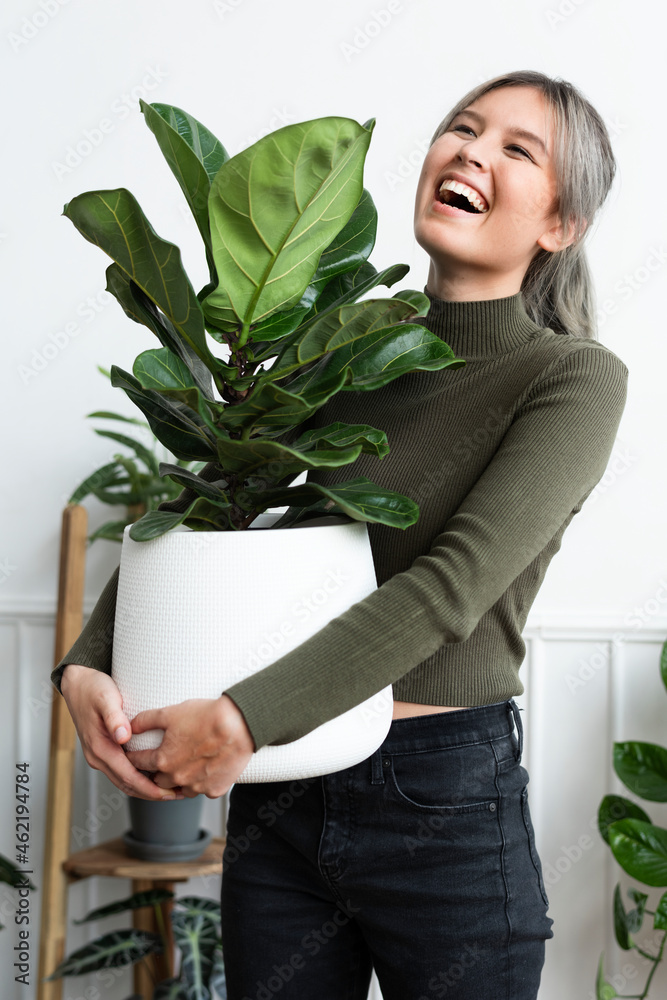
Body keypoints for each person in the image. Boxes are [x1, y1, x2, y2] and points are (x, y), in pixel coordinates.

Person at [52, 70, 628, 999]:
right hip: (282, 786)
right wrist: (83, 661)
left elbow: (450, 587)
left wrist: (242, 718)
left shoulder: (571, 378)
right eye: (462, 128)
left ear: (558, 224)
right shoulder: (343, 346)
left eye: (516, 150)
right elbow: (214, 514)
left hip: (437, 801)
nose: (471, 151)